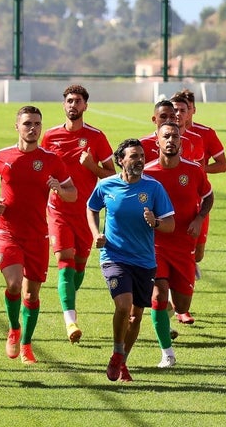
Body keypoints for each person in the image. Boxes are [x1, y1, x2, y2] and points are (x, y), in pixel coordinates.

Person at [0, 106, 77, 365]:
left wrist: (59, 189)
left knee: (31, 295)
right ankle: (14, 328)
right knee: (13, 284)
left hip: (37, 235)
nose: (32, 128)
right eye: (27, 124)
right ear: (17, 127)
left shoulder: (51, 159)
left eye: (37, 123)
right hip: (8, 231)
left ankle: (26, 344)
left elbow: (73, 193)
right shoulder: (2, 156)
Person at [87, 138, 177, 382]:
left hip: (145, 261)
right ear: (120, 161)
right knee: (124, 306)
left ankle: (124, 360)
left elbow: (170, 224)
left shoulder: (154, 188)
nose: (139, 160)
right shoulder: (106, 186)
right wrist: (97, 234)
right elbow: (92, 207)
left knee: (136, 316)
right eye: (134, 156)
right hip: (114, 256)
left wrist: (155, 222)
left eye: (141, 156)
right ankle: (117, 353)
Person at [41, 84, 115, 344]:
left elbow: (113, 176)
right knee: (64, 260)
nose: (73, 105)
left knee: (79, 265)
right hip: (58, 208)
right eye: (69, 101)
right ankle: (70, 320)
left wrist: (92, 166)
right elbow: (40, 170)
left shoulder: (96, 137)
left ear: (86, 106)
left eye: (78, 101)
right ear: (64, 105)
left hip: (86, 212)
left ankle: (68, 297)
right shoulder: (49, 137)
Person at [143, 122, 214, 326]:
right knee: (159, 295)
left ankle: (169, 315)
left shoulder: (193, 170)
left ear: (181, 141)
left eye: (175, 136)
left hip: (184, 246)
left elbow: (208, 197)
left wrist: (200, 218)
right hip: (156, 245)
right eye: (166, 136)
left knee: (182, 305)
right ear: (157, 141)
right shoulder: (147, 174)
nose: (171, 140)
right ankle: (166, 347)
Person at [174, 88, 226, 281]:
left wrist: (198, 171)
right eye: (176, 109)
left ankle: (190, 263)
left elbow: (223, 165)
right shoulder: (162, 137)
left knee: (198, 253)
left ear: (192, 110)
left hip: (198, 199)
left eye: (185, 108)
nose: (180, 114)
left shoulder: (203, 135)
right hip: (172, 200)